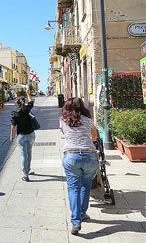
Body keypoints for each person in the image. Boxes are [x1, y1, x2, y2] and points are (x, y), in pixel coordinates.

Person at [60, 97, 99, 236]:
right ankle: (82, 213)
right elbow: (94, 138)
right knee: (85, 185)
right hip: (89, 156)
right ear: (82, 107)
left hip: (71, 157)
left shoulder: (63, 121)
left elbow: (65, 134)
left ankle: (76, 221)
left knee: (73, 187)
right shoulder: (88, 121)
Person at [9, 88, 36, 181]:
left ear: (16, 104)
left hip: (21, 135)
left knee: (23, 154)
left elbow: (13, 126)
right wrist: (28, 93)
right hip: (31, 134)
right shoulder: (28, 109)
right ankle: (28, 169)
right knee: (29, 152)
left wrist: (11, 136)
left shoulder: (15, 114)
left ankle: (25, 175)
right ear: (23, 102)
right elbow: (31, 101)